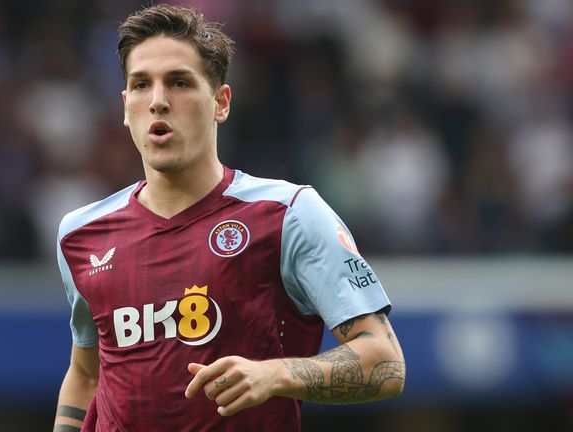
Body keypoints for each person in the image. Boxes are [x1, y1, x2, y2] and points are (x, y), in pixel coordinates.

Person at [53, 4, 405, 431]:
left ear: (220, 102)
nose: (159, 101)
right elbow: (87, 374)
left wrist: (276, 374)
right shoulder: (80, 235)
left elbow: (385, 361)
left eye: (179, 82)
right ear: (127, 107)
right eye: (141, 85)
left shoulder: (286, 214)